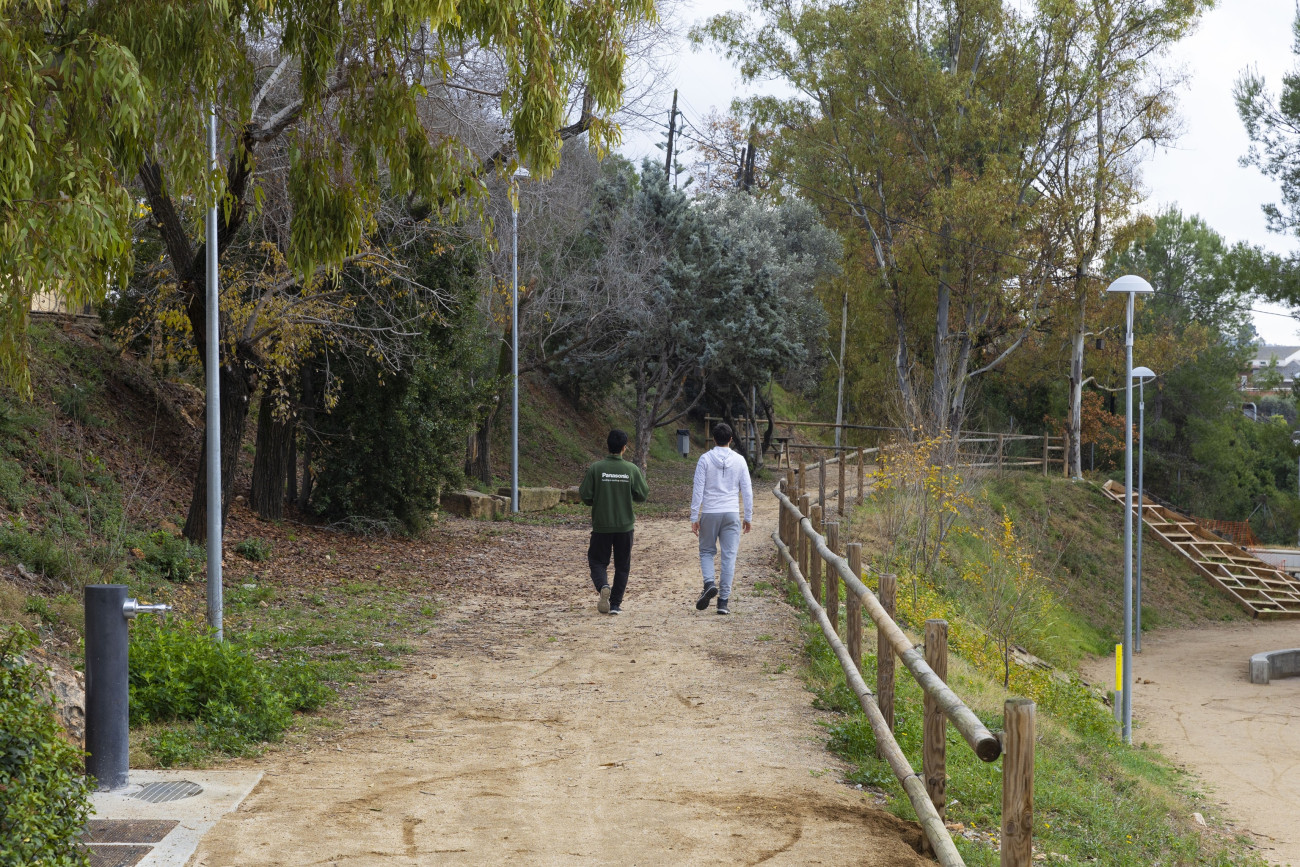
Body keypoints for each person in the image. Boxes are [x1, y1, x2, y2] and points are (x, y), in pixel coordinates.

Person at [579, 429, 649, 615]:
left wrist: (598, 500)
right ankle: (615, 604)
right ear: (624, 448)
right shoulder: (631, 469)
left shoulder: (596, 468)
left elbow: (585, 495)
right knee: (622, 566)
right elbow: (642, 494)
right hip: (625, 526)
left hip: (601, 525)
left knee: (597, 561)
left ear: (607, 446)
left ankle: (603, 585)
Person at [690, 422, 753, 615]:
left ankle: (709, 583)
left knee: (706, 551)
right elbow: (747, 490)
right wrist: (748, 516)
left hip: (710, 511)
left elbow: (698, 489)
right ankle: (723, 602)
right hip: (731, 512)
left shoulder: (705, 459)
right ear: (731, 440)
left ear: (714, 439)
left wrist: (694, 516)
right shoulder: (740, 460)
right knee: (729, 556)